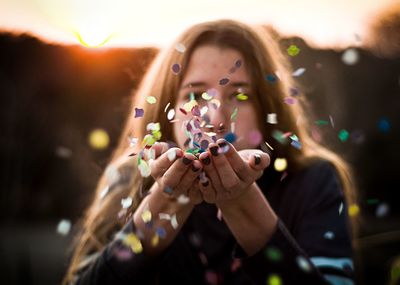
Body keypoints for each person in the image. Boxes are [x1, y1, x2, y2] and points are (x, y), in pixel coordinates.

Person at [63, 19, 357, 285]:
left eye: (239, 95)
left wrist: (244, 203)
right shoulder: (129, 178)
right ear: (167, 103)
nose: (214, 119)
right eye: (193, 95)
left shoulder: (311, 181)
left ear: (267, 107)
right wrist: (159, 208)